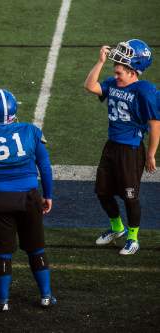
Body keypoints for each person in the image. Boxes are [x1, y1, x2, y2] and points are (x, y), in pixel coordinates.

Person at [0, 89, 56, 311]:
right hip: (29, 198)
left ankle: (2, 300)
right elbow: (44, 167)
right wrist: (49, 195)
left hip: (0, 201)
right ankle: (46, 296)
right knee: (36, 249)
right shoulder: (31, 131)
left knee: (3, 252)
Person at [84, 39, 160, 255]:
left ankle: (133, 237)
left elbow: (155, 124)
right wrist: (99, 62)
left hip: (131, 150)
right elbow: (90, 86)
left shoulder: (144, 90)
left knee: (129, 196)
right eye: (115, 72)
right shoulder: (112, 84)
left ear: (133, 71)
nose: (115, 76)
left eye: (120, 73)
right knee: (102, 192)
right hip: (111, 147)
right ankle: (117, 228)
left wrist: (151, 155)